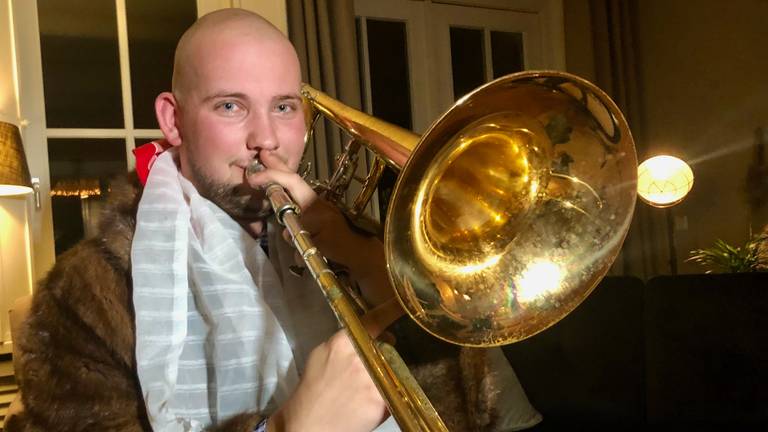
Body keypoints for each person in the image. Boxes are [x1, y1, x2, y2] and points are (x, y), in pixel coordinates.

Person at [7, 8, 540, 432]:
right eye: (230, 107)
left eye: (284, 107)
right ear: (173, 120)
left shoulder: (364, 242)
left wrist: (354, 249)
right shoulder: (83, 298)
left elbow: (478, 397)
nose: (266, 139)